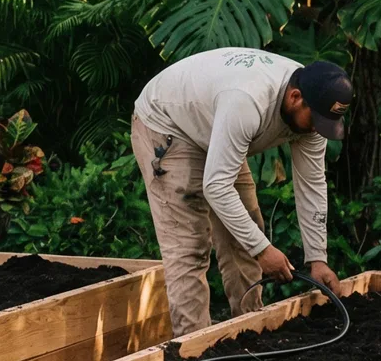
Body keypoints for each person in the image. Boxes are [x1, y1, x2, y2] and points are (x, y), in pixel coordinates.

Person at [132, 49, 350, 336]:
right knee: (190, 248)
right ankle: (192, 353)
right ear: (295, 97)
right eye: (315, 121)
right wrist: (263, 250)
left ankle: (247, 332)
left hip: (215, 126)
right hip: (168, 125)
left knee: (246, 231)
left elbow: (311, 186)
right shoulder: (249, 101)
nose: (317, 130)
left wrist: (317, 258)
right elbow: (217, 186)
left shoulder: (314, 107)